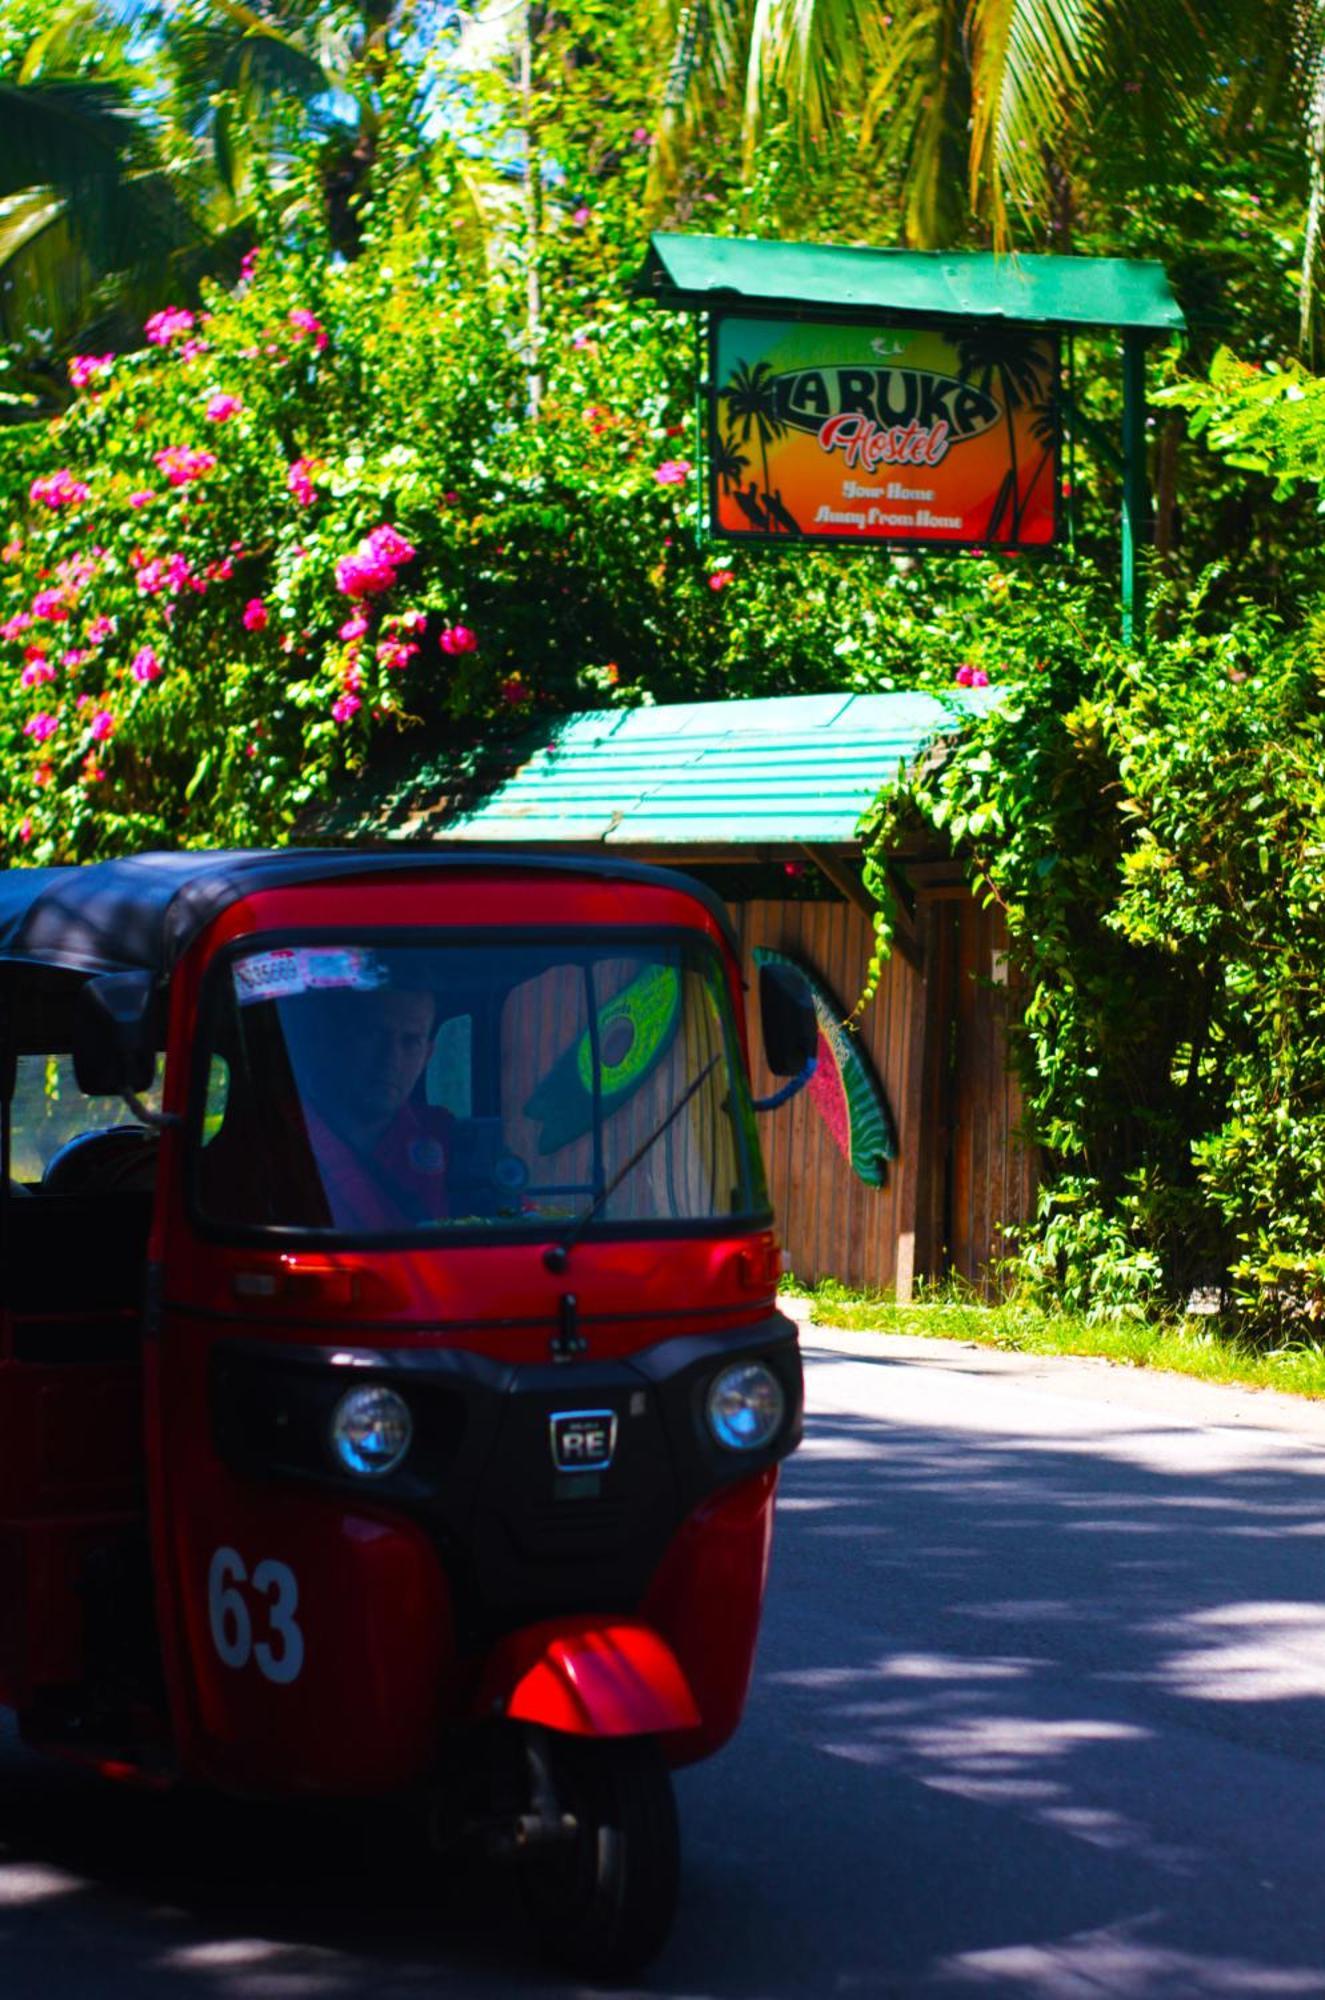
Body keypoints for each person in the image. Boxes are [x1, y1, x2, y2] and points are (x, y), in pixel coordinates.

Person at [290, 984, 453, 1230]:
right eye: (374, 1034)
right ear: (338, 1039)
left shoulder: (446, 1136)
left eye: (411, 1041)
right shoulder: (283, 1137)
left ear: (427, 1056)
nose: (391, 1059)